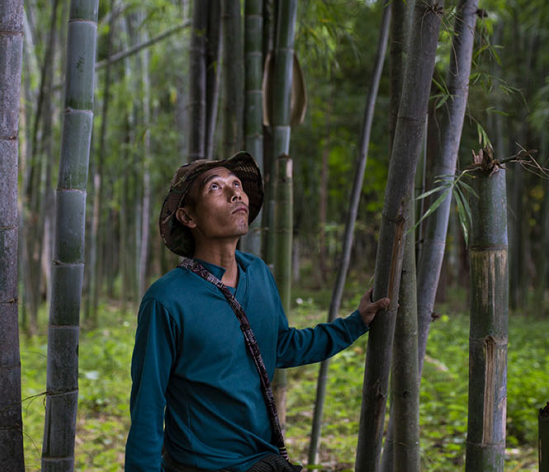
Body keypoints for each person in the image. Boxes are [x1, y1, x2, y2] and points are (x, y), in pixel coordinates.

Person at [124, 152, 390, 472]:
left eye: (237, 184)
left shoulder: (258, 273)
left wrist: (355, 323)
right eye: (215, 187)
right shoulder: (167, 300)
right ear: (188, 217)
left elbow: (281, 346)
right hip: (205, 465)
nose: (235, 192)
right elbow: (147, 407)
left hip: (262, 459)